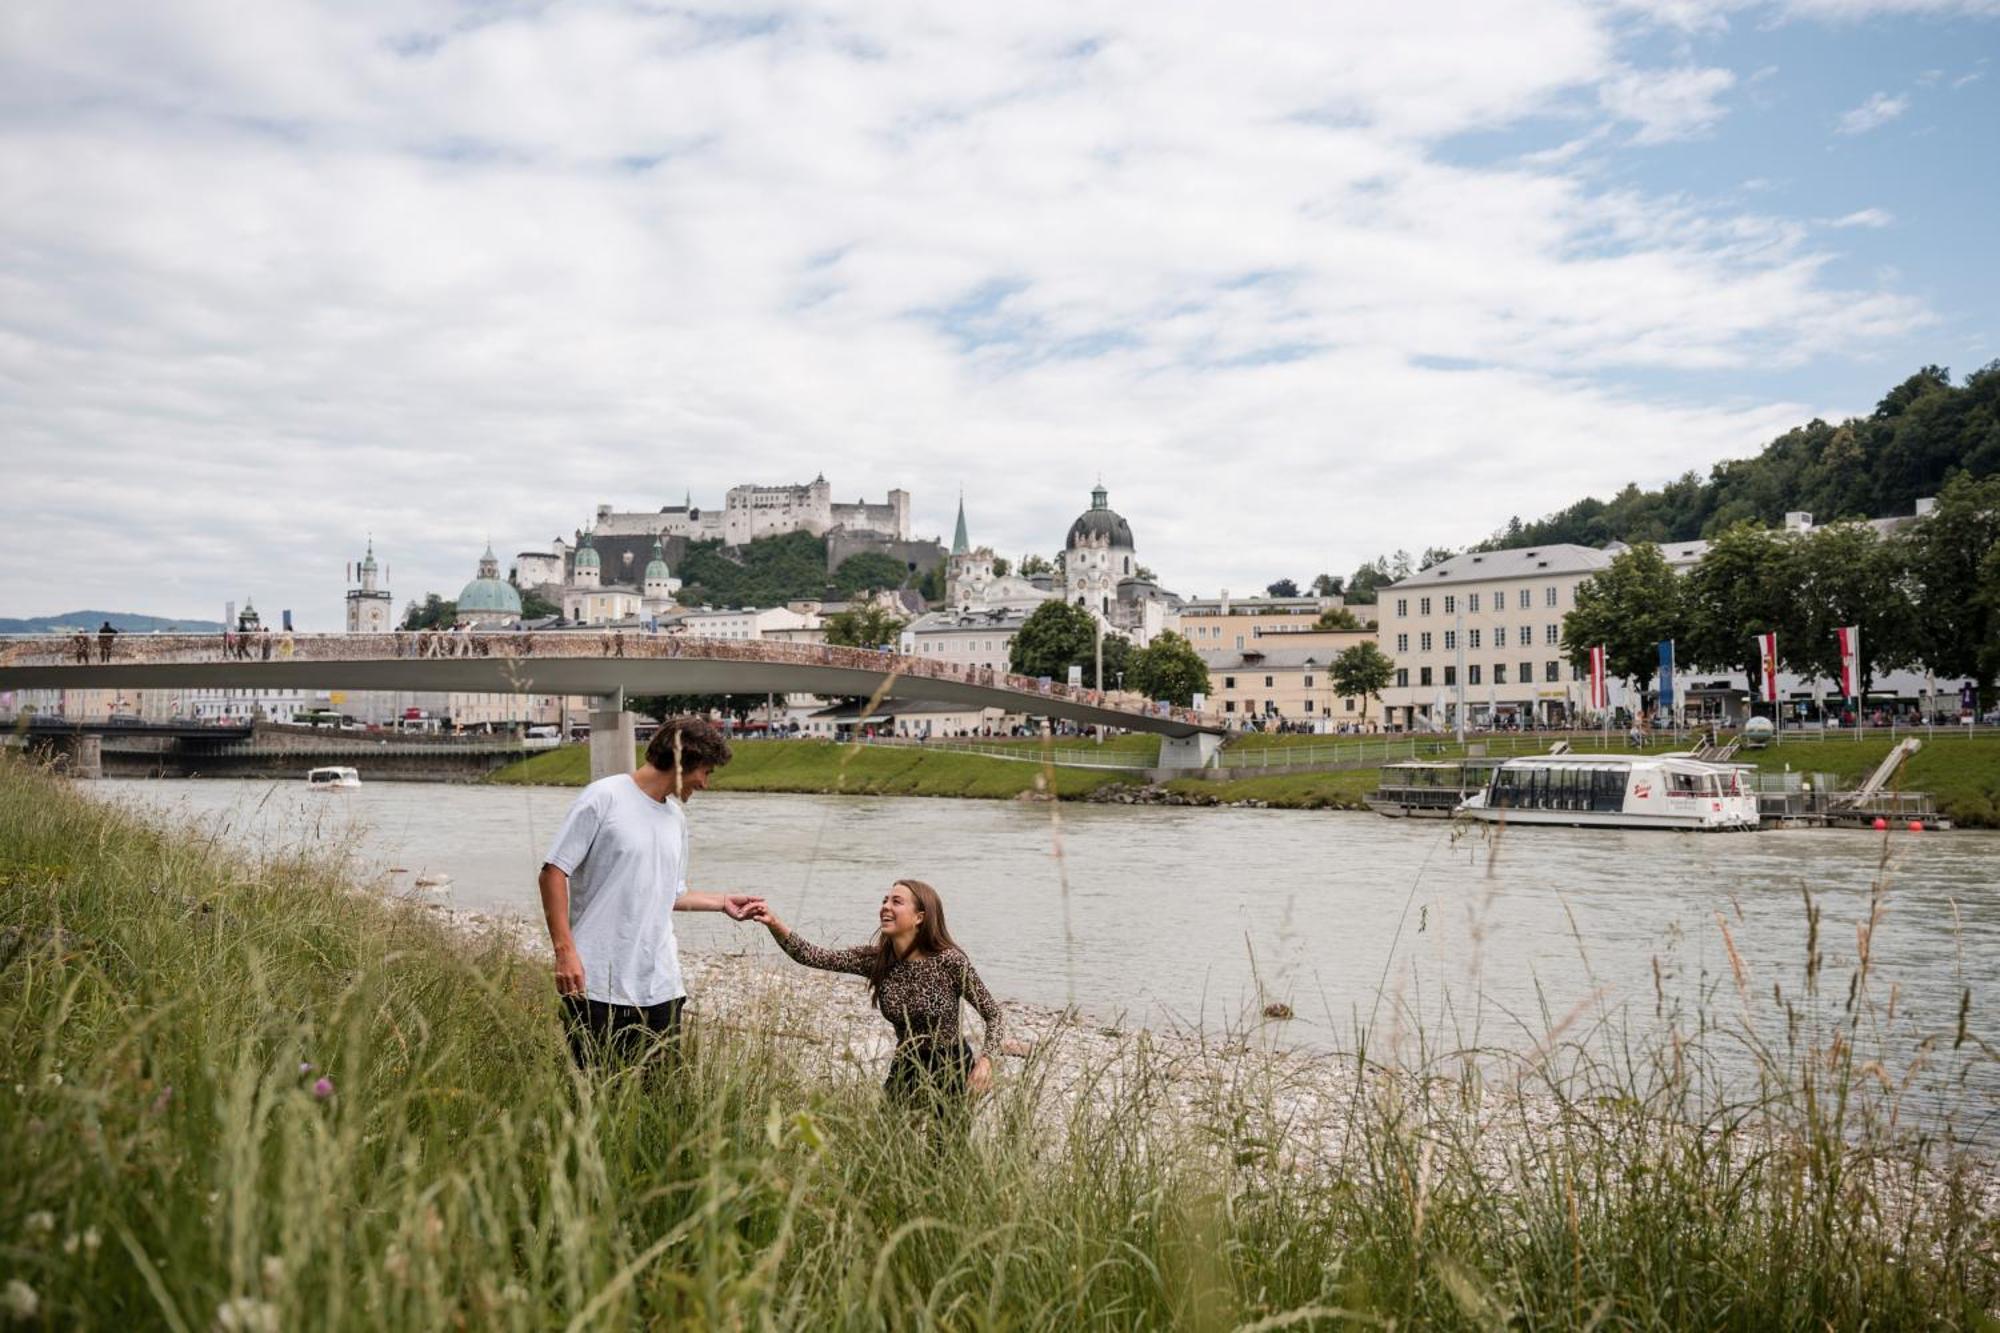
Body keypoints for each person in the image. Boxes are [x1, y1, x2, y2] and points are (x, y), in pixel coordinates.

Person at [537, 715, 763, 1068]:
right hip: (596, 980)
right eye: (704, 771)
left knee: (658, 1096)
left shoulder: (676, 818)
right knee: (592, 1092)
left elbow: (669, 894)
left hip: (660, 985)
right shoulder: (604, 797)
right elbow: (553, 871)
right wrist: (565, 951)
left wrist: (721, 902)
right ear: (679, 764)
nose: (704, 783)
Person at [748, 880, 1008, 1118]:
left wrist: (986, 1061)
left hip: (951, 1067)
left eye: (896, 901)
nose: (885, 906)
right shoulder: (878, 960)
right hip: (907, 1064)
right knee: (887, 1144)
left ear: (920, 917)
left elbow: (993, 1014)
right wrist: (773, 923)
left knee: (946, 1153)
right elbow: (811, 955)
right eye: (885, 900)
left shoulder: (949, 961)